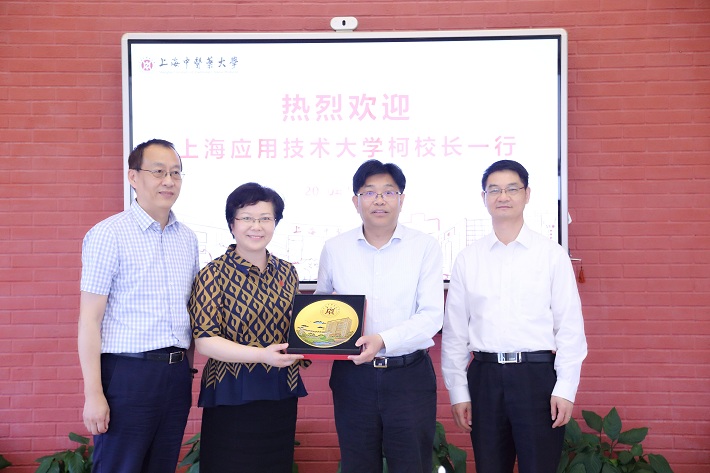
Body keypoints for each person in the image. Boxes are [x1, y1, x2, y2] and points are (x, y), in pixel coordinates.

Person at [441, 159, 588, 473]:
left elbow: (570, 328)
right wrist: (458, 391)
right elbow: (455, 333)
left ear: (527, 194)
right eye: (494, 190)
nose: (503, 196)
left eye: (511, 189)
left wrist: (565, 387)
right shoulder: (468, 259)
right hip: (484, 377)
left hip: (537, 378)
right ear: (484, 198)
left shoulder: (551, 255)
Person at [315, 159, 445, 473]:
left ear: (401, 199)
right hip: (353, 378)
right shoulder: (334, 249)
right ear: (355, 201)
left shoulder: (425, 247)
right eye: (369, 192)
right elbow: (321, 305)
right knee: (358, 465)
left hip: (408, 377)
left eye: (388, 192)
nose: (379, 200)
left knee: (412, 465)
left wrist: (383, 340)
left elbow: (431, 316)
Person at [78, 139, 199, 473]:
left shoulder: (187, 239)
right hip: (128, 375)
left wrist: (187, 371)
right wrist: (93, 394)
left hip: (175, 376)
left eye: (176, 173)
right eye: (158, 172)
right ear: (133, 177)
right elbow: (89, 320)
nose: (169, 181)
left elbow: (188, 311)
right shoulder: (108, 234)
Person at [188, 182, 307, 473]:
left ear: (275, 223)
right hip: (231, 392)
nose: (257, 226)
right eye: (247, 218)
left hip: (281, 389)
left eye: (265, 218)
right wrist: (261, 355)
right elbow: (205, 340)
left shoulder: (287, 271)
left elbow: (297, 327)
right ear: (232, 224)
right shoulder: (213, 274)